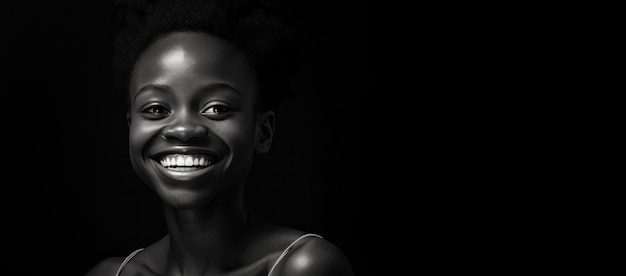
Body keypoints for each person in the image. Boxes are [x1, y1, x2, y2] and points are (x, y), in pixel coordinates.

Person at [85, 0, 354, 275]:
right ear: (131, 126)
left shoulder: (304, 267)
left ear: (262, 131)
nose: (184, 129)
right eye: (156, 109)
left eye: (217, 108)